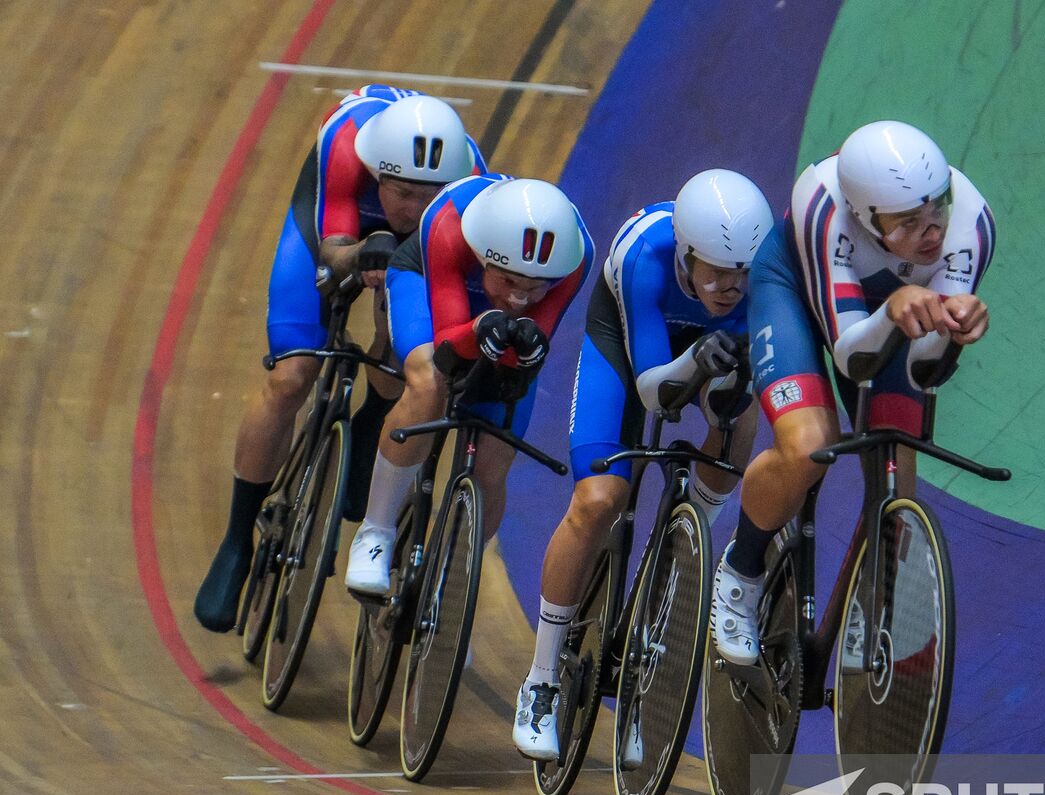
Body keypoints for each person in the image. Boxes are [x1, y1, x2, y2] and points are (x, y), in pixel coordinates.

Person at [194, 87, 485, 632]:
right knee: (291, 377)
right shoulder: (348, 146)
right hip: (338, 227)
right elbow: (332, 254)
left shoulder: (469, 184)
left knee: (404, 350)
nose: (414, 209)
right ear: (378, 173)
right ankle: (236, 539)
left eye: (430, 195)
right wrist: (361, 252)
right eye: (401, 193)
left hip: (418, 253)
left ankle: (373, 416)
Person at [709, 120, 997, 665]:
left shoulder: (973, 226)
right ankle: (742, 566)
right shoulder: (822, 207)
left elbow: (924, 372)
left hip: (890, 313)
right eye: (909, 222)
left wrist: (955, 335)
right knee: (809, 444)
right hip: (797, 291)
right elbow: (852, 356)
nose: (933, 230)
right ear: (865, 218)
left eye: (937, 207)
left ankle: (870, 601)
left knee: (897, 477)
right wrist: (893, 306)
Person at [512, 169, 773, 761]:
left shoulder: (763, 272)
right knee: (599, 500)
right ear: (685, 252)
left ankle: (690, 542)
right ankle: (543, 679)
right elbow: (657, 392)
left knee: (741, 417)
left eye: (741, 271)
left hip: (713, 351)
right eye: (714, 269)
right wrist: (697, 361)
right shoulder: (644, 255)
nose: (729, 285)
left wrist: (736, 379)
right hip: (630, 347)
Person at [342, 178, 594, 751]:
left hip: (484, 318)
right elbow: (451, 339)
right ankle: (377, 531)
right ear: (485, 257)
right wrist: (481, 330)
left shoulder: (572, 258)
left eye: (537, 285)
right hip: (433, 286)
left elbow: (534, 337)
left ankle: (456, 575)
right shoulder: (451, 229)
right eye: (509, 281)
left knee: (495, 450)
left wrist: (518, 343)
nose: (522, 295)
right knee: (429, 381)